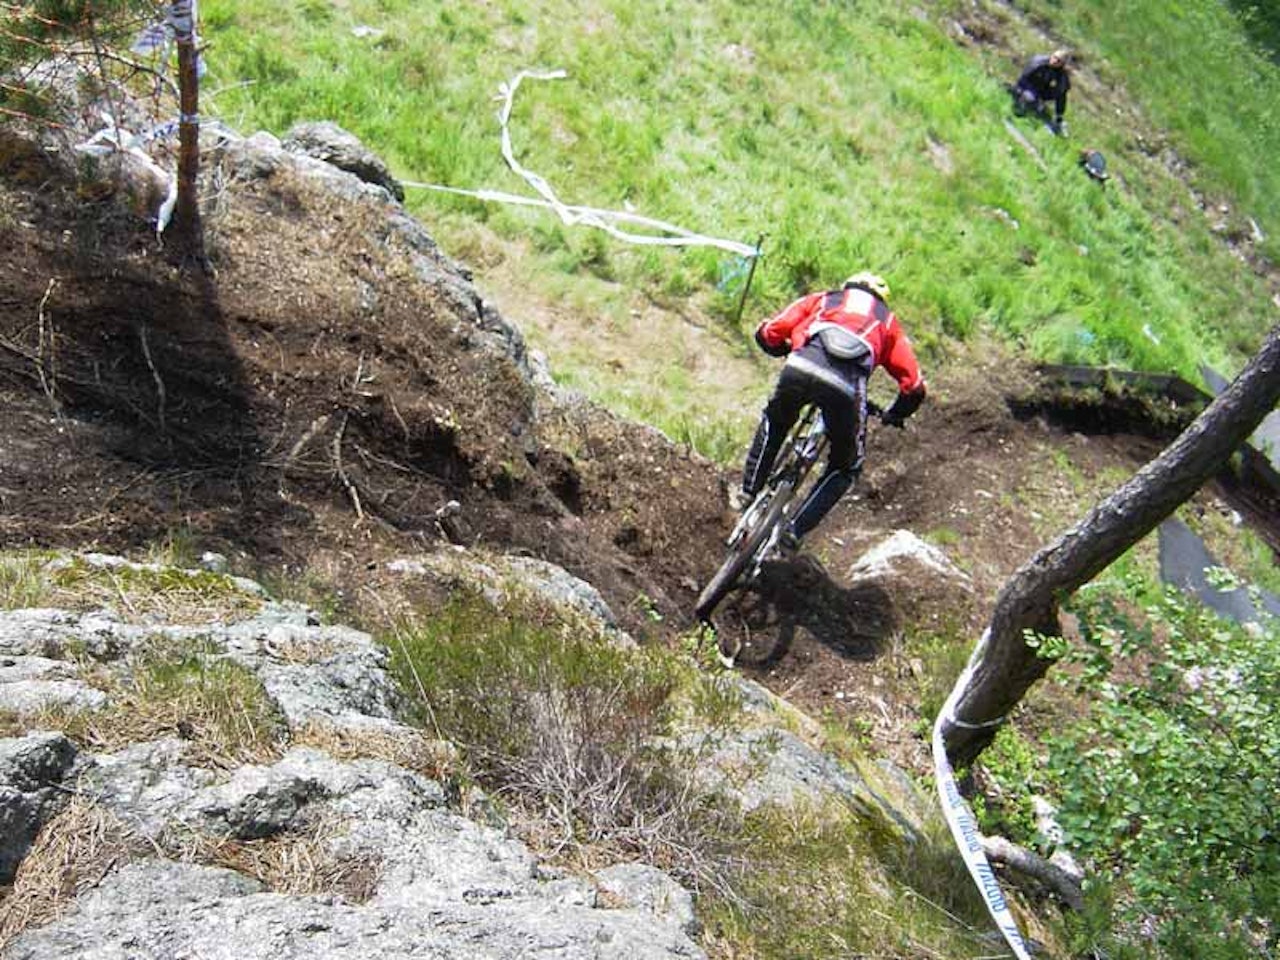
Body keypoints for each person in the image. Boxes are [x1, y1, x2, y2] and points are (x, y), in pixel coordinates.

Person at [740, 272, 926, 555]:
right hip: (846, 388)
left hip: (802, 366)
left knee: (775, 421)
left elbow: (771, 331)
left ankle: (748, 491)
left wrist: (779, 348)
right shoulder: (888, 322)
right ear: (882, 300)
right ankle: (793, 532)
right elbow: (914, 385)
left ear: (848, 286)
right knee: (845, 466)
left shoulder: (826, 299)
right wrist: (894, 414)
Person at [1011, 49, 1071, 135]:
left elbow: (1062, 91)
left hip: (1041, 90)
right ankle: (1021, 107)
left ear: (1062, 64)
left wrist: (1059, 114)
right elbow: (1024, 78)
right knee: (1029, 99)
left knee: (1061, 91)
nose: (1055, 61)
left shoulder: (1060, 73)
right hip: (1026, 86)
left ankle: (1058, 117)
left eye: (1059, 61)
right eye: (1054, 57)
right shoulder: (1038, 62)